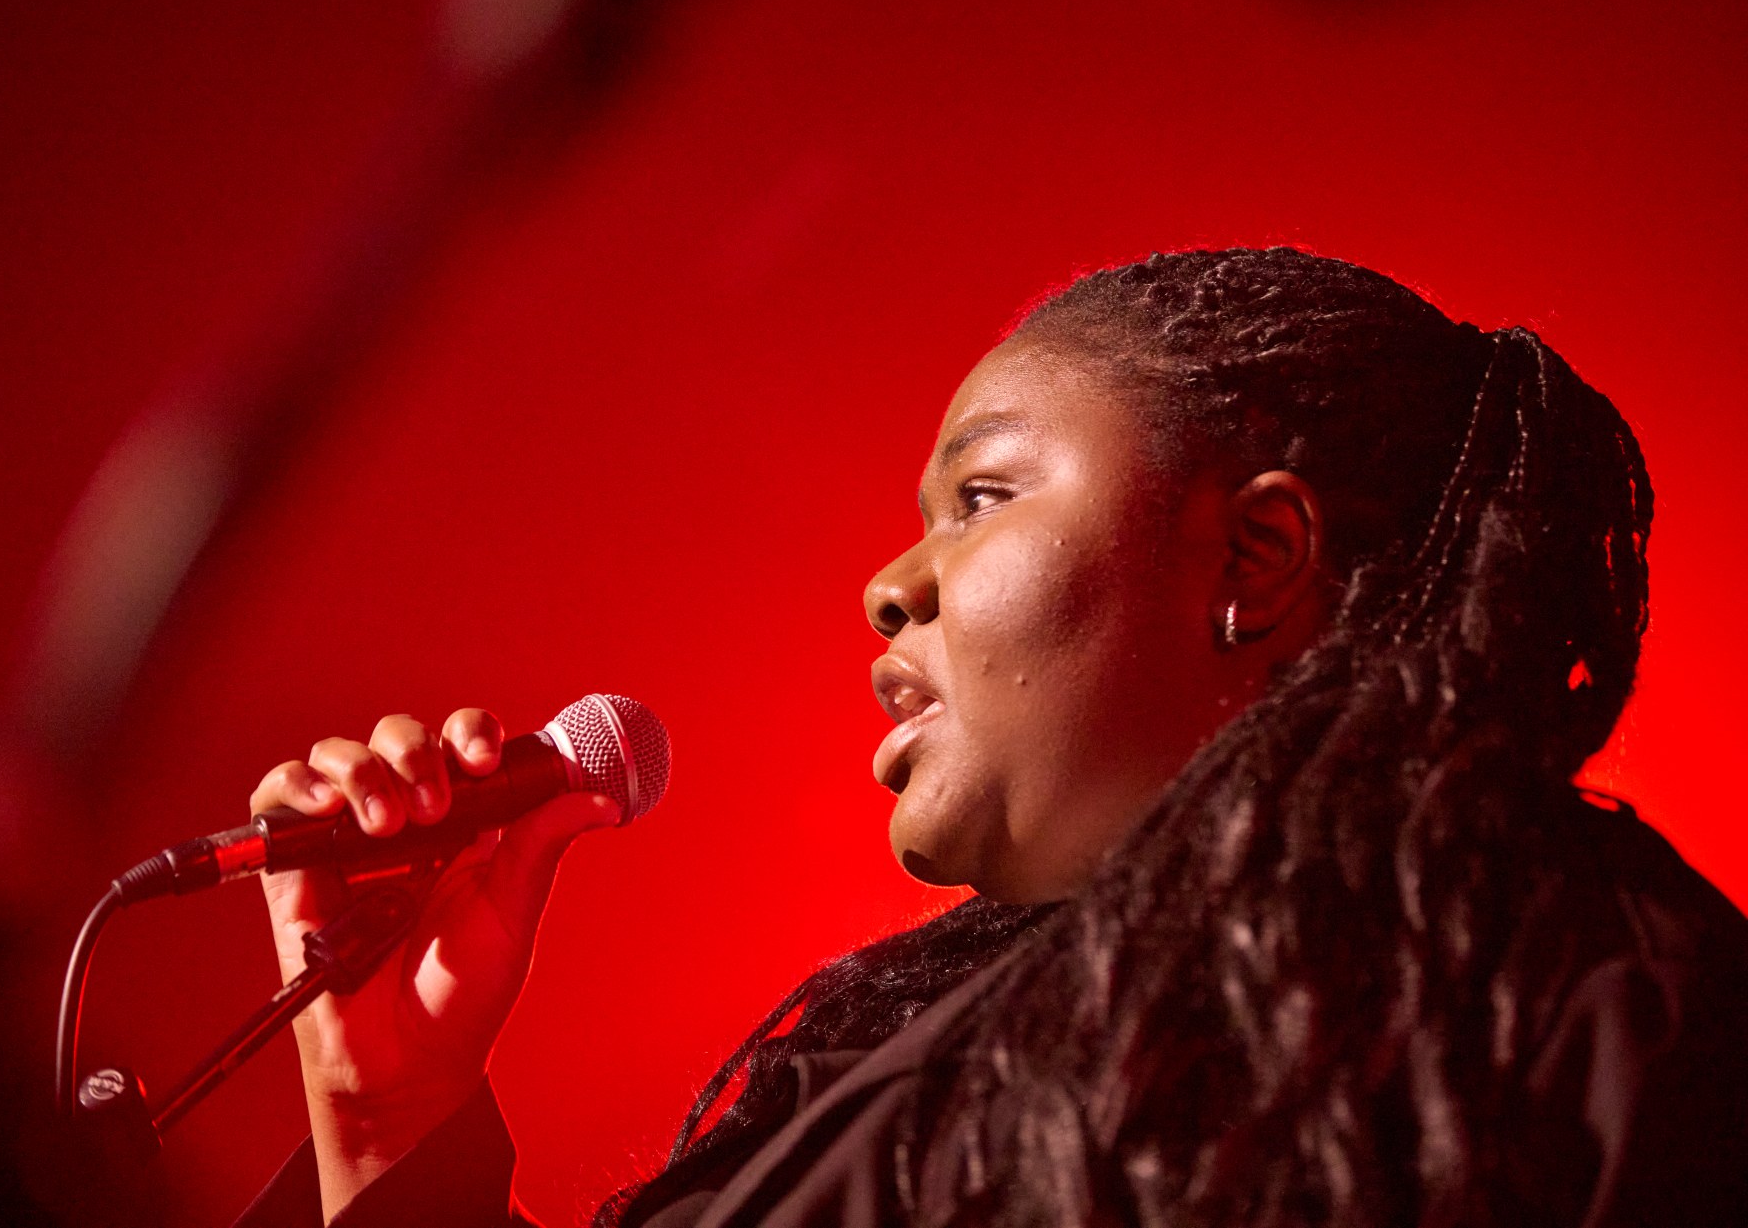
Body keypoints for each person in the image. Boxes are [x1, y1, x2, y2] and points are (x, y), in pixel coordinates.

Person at [235, 248, 1748, 1227]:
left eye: (983, 497)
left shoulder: (1571, 986)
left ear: (1259, 561)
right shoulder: (873, 1067)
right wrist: (392, 1114)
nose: (888, 586)